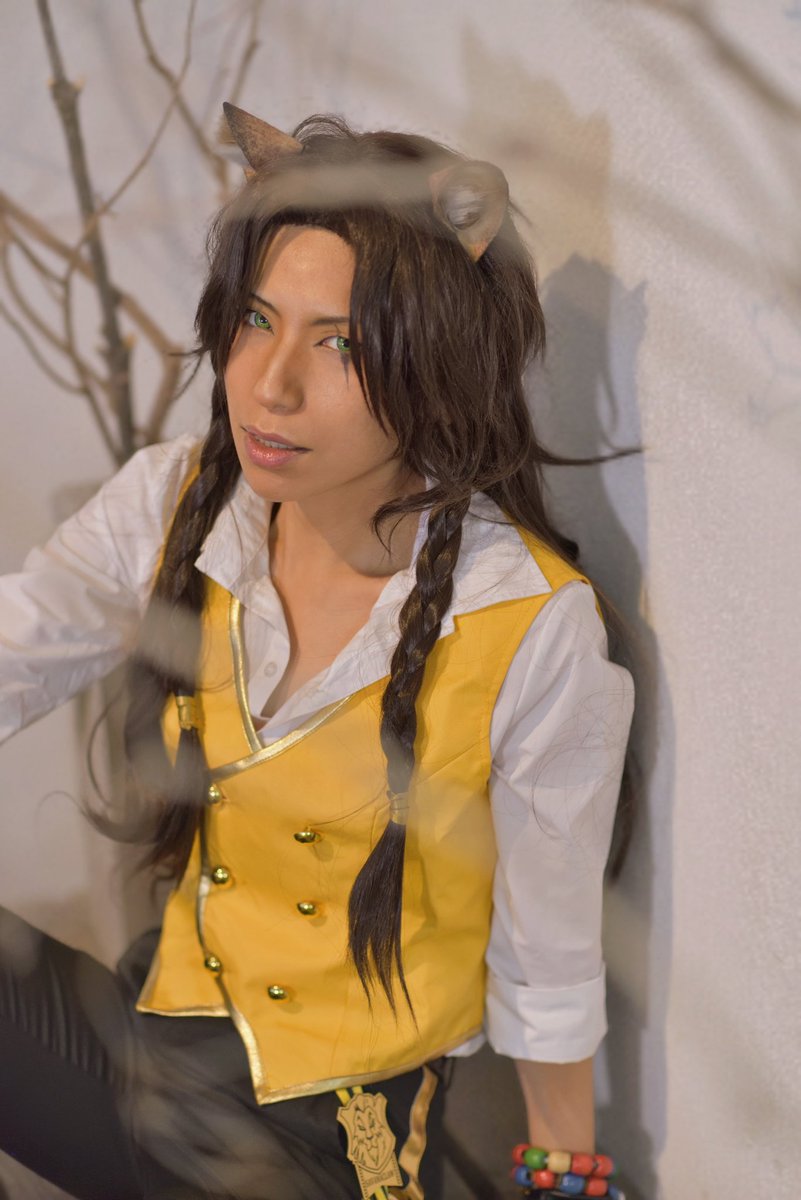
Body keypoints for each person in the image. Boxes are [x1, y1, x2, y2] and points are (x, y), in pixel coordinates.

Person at [0, 104, 635, 1200]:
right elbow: (16, 644)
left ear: (437, 365)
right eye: (257, 320)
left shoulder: (528, 625)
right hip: (145, 1050)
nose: (270, 383)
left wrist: (566, 1181)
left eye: (339, 344)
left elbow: (550, 962)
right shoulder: (178, 499)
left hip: (318, 1146)